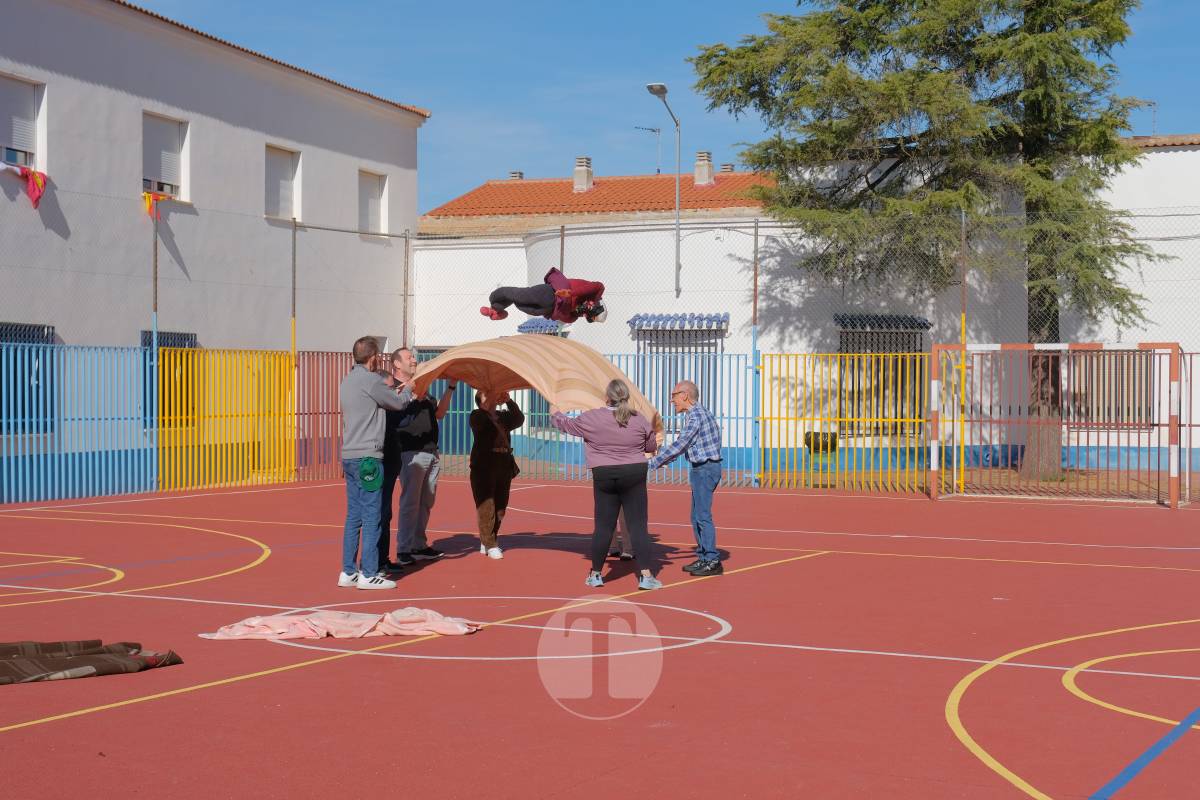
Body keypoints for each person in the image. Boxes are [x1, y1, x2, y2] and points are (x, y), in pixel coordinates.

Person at [550, 379, 662, 590]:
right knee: (638, 525)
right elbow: (650, 445)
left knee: (603, 526)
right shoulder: (638, 419)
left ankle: (596, 574)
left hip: (604, 473)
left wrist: (555, 411)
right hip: (634, 472)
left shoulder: (592, 418)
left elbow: (566, 425)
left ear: (607, 397)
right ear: (626, 397)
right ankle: (646, 576)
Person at [338, 336, 418, 590]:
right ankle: (368, 572)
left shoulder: (347, 381)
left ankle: (348, 571)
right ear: (373, 358)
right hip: (368, 457)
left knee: (354, 515)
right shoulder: (371, 380)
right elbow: (396, 403)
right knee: (373, 514)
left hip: (350, 454)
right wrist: (409, 389)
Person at [378, 347, 456, 572]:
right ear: (397, 365)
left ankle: (418, 545)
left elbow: (439, 414)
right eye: (409, 357)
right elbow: (396, 416)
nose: (414, 360)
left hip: (431, 450)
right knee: (410, 502)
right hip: (410, 452)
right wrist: (411, 396)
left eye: (413, 357)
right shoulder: (394, 390)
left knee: (426, 501)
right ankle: (403, 549)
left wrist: (450, 387)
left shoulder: (423, 389)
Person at [647, 380, 723, 576]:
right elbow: (686, 445)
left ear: (685, 395)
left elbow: (682, 444)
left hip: (705, 469)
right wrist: (662, 461)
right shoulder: (695, 414)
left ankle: (712, 560)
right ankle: (704, 557)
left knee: (702, 516)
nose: (671, 400)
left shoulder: (695, 416)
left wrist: (654, 462)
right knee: (696, 516)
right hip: (702, 468)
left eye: (673, 396)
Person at [469, 389, 524, 559]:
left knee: (501, 507)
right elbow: (482, 424)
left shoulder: (502, 416)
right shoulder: (477, 415)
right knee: (486, 505)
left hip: (503, 462)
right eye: (487, 394)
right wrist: (492, 401)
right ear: (480, 400)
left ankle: (488, 538)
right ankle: (491, 544)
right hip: (484, 464)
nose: (492, 396)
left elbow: (519, 419)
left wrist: (508, 400)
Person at [481, 267, 607, 324]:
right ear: (596, 306)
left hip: (548, 310)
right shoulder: (594, 293)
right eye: (591, 315)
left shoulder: (580, 313)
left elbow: (567, 318)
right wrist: (569, 294)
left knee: (521, 305)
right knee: (520, 295)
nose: (586, 315)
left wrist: (570, 314)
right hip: (550, 294)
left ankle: (498, 309)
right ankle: (494, 303)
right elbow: (600, 286)